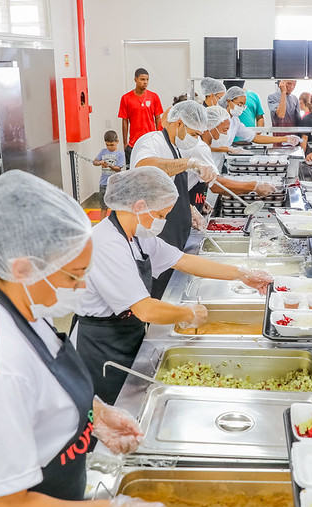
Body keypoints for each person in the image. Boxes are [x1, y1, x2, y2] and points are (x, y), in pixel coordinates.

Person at [0, 170, 188, 507]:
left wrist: (92, 416)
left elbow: (41, 387)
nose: (83, 286)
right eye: (74, 276)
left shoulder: (22, 306)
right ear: (23, 269)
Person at [73, 167, 271, 404]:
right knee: (111, 411)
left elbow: (183, 260)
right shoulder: (106, 244)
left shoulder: (136, 235)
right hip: (102, 347)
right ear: (139, 206)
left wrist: (242, 274)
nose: (163, 222)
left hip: (127, 335)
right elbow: (145, 309)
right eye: (160, 215)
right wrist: (188, 314)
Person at [130, 100, 219, 298]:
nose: (196, 140)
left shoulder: (174, 148)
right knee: (154, 294)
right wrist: (189, 162)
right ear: (179, 123)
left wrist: (189, 208)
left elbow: (165, 190)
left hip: (173, 238)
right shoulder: (152, 141)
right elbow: (144, 167)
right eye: (194, 134)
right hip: (155, 237)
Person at [215, 86, 300, 167]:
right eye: (239, 104)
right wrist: (228, 149)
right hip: (210, 159)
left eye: (243, 105)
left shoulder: (235, 121)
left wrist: (286, 139)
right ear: (229, 101)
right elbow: (208, 144)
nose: (241, 107)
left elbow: (254, 137)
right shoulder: (217, 117)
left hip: (219, 162)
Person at [118, 67, 163, 166]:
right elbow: (124, 121)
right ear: (135, 80)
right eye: (142, 79)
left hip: (150, 142)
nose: (145, 82)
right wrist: (125, 143)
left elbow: (158, 118)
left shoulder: (154, 97)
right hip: (133, 143)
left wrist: (159, 138)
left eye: (147, 79)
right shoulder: (126, 98)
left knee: (150, 171)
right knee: (132, 173)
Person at [93, 130, 125, 218]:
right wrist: (100, 163)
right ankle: (102, 222)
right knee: (103, 206)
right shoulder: (103, 151)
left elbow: (118, 169)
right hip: (104, 183)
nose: (109, 147)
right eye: (107, 145)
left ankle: (117, 223)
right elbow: (94, 162)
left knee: (116, 206)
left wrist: (109, 165)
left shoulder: (120, 154)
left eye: (112, 145)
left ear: (117, 141)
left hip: (115, 184)